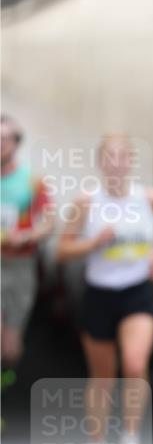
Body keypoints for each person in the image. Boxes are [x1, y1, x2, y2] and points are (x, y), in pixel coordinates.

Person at [56, 133, 153, 444]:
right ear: (100, 162)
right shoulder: (86, 202)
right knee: (103, 377)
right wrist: (91, 244)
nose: (116, 162)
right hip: (99, 295)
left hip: (137, 294)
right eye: (109, 157)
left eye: (123, 156)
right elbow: (62, 250)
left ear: (131, 162)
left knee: (136, 362)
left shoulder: (148, 198)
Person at [1, 114, 55, 370]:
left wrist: (26, 236)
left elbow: (48, 222)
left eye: (4, 139)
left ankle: (4, 384)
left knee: (9, 347)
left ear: (16, 143)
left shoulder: (32, 182)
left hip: (20, 267)